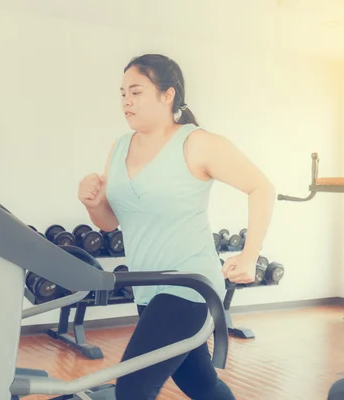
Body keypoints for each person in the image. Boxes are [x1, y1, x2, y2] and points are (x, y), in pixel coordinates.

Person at [78, 53, 276, 399]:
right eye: (122, 92)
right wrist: (93, 203)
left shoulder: (197, 143)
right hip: (147, 285)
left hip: (189, 285)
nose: (126, 100)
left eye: (136, 91)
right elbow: (111, 224)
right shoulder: (120, 146)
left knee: (132, 387)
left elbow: (261, 187)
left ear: (167, 95)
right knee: (198, 382)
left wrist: (250, 254)